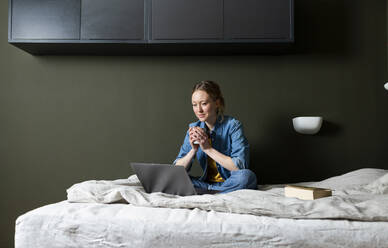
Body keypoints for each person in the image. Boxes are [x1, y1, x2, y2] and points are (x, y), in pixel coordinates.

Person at [173, 80, 257, 193]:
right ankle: (215, 191)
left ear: (217, 103)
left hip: (230, 181)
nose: (199, 110)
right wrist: (193, 150)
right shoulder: (193, 129)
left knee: (247, 176)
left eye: (204, 103)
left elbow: (240, 166)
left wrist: (207, 149)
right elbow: (176, 170)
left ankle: (210, 191)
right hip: (205, 183)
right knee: (175, 179)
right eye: (194, 105)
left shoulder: (233, 126)